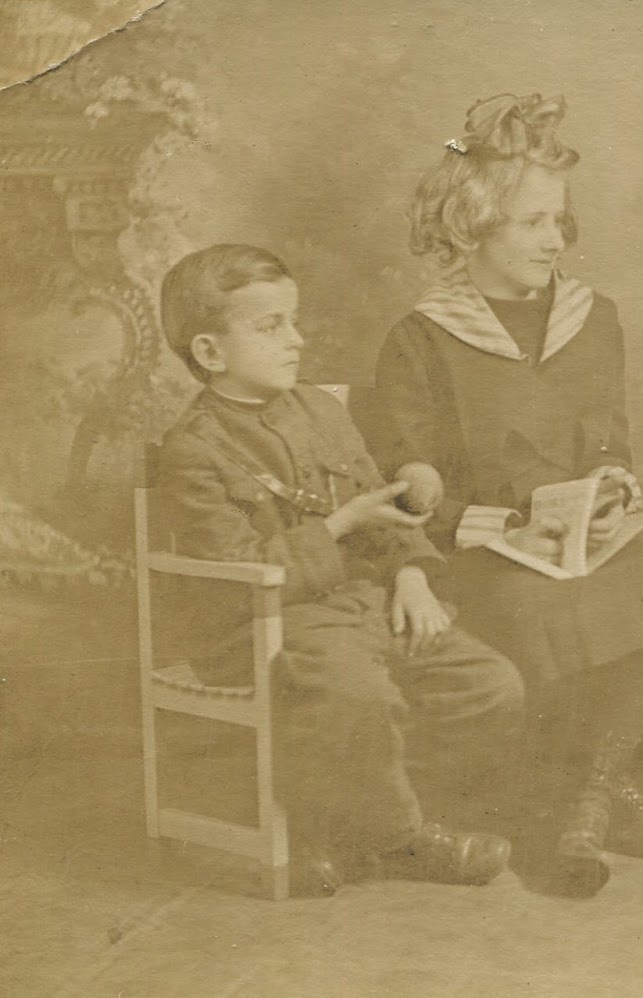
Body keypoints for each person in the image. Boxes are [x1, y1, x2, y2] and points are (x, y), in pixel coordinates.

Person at [366, 94, 643, 897]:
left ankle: (586, 798)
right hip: (480, 557)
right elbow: (404, 489)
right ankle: (585, 806)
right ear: (471, 228)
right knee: (541, 609)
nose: (555, 239)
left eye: (559, 220)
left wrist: (612, 485)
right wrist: (500, 529)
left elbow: (611, 443)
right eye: (532, 223)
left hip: (582, 546)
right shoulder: (422, 338)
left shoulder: (595, 320)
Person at [155, 244, 523, 896]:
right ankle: (399, 839)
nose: (297, 340)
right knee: (358, 693)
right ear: (210, 352)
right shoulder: (194, 449)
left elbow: (381, 509)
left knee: (490, 684)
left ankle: (355, 825)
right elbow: (234, 571)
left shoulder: (321, 412)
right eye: (271, 326)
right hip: (262, 625)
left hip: (357, 608)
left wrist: (411, 575)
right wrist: (334, 527)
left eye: (294, 321)